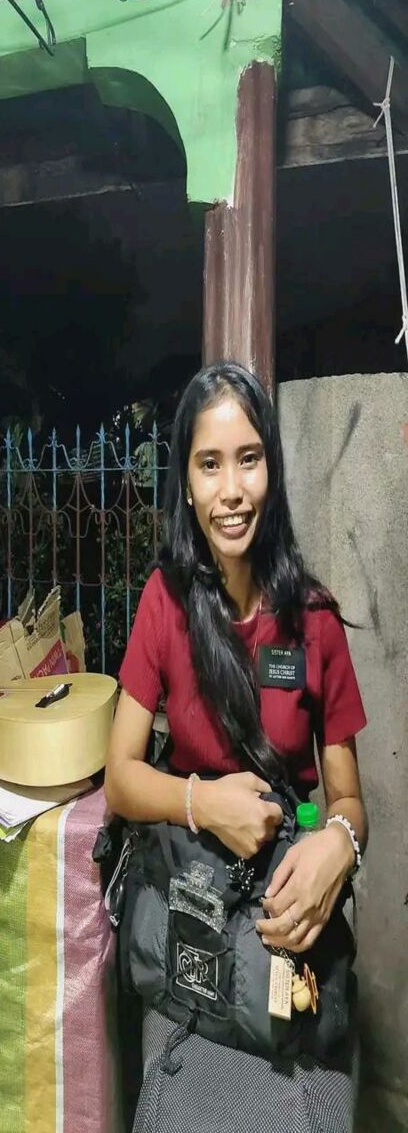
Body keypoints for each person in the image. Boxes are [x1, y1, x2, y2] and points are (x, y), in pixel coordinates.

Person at [105, 361, 368, 1133]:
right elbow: (121, 777)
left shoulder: (313, 620)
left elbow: (349, 799)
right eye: (209, 464)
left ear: (271, 472)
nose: (231, 490)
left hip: (284, 929)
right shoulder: (165, 603)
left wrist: (338, 846)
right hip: (192, 922)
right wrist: (204, 802)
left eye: (248, 460)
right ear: (186, 486)